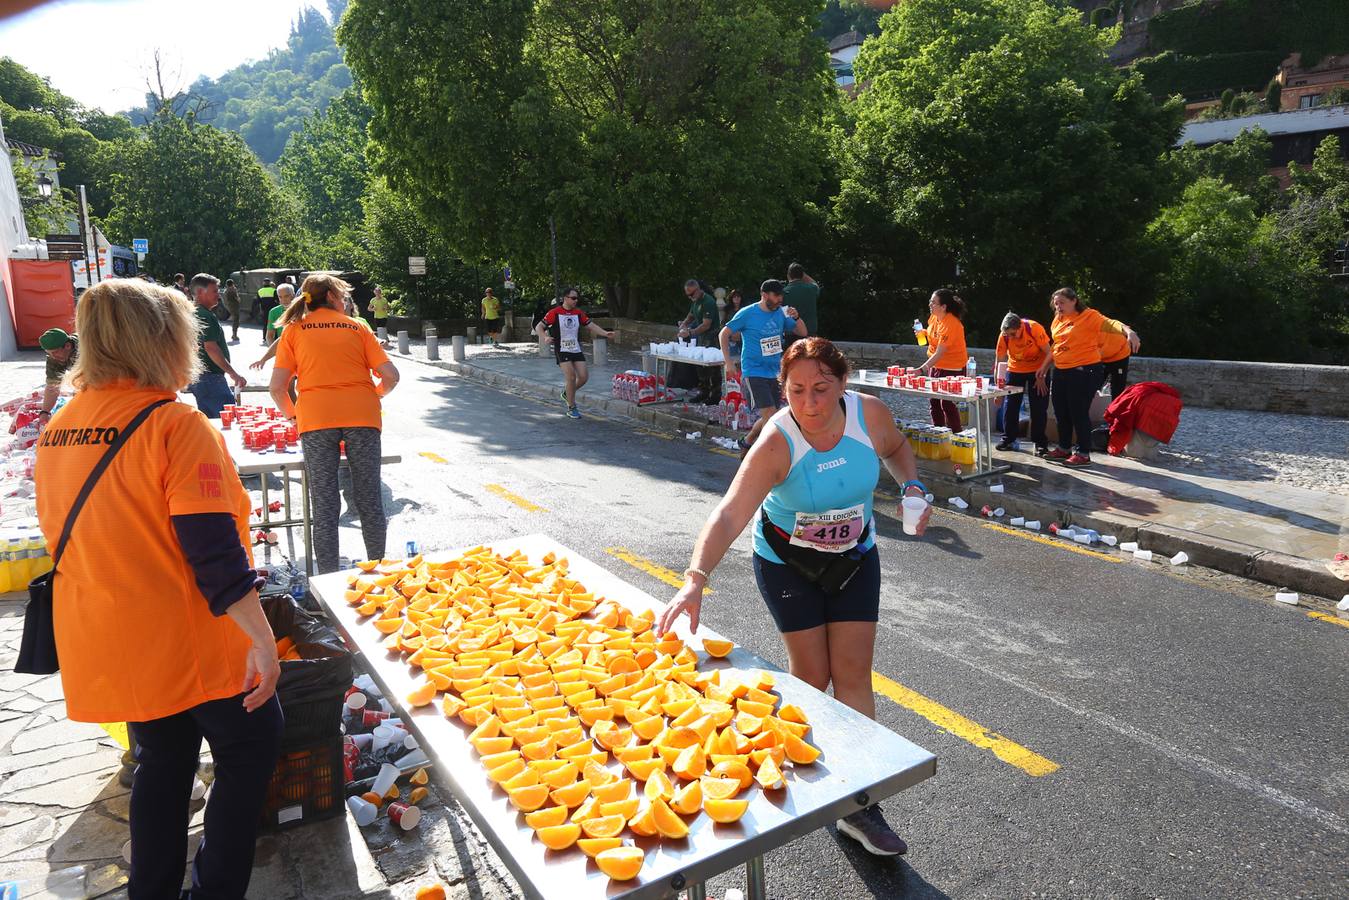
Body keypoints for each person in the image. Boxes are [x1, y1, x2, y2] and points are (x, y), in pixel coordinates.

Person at [34, 278, 282, 899]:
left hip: (116, 637)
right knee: (250, 748)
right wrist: (263, 641)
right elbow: (214, 554)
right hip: (194, 639)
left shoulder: (61, 427)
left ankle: (152, 890)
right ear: (166, 340)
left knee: (161, 765)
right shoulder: (175, 423)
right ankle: (214, 889)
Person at [657, 336, 930, 857]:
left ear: (843, 383)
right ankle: (788, 757)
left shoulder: (869, 416)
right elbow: (730, 513)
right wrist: (695, 578)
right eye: (796, 390)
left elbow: (896, 449)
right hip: (788, 564)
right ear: (783, 389)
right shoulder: (777, 442)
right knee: (812, 675)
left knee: (853, 674)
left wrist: (913, 487)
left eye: (821, 388)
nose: (809, 402)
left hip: (855, 556)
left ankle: (860, 804)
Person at [269, 274, 400, 573]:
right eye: (341, 295)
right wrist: (375, 394)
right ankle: (377, 569)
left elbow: (277, 388)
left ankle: (328, 579)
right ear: (330, 296)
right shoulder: (357, 327)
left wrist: (293, 416)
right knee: (369, 498)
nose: (344, 301)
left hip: (315, 419)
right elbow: (391, 376)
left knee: (325, 504)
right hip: (362, 417)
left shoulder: (293, 330)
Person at [1037, 288, 1141, 467]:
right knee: (1061, 411)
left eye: (1062, 302)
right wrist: (1044, 367)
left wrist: (1129, 332)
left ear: (1074, 301)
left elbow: (1112, 323)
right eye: (1056, 303)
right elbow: (1057, 344)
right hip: (1061, 370)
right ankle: (1064, 448)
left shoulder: (1089, 316)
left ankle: (1083, 453)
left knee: (1078, 411)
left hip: (1084, 370)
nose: (1058, 306)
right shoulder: (1058, 319)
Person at [721, 279, 806, 450]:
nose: (780, 299)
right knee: (771, 415)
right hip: (754, 371)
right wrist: (728, 362)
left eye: (781, 295)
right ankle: (770, 453)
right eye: (776, 295)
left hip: (774, 372)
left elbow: (802, 332)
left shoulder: (781, 312)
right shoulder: (748, 313)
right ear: (764, 295)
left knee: (772, 415)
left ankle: (747, 441)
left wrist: (796, 317)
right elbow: (724, 334)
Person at [534, 288, 615, 419]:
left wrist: (605, 333)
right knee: (571, 377)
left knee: (583, 377)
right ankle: (571, 407)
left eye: (577, 298)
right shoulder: (554, 312)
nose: (576, 300)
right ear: (565, 298)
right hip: (562, 349)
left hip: (575, 348)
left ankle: (567, 393)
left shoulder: (578, 313)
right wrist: (545, 337)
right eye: (573, 298)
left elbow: (591, 325)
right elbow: (539, 327)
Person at [186, 273, 247, 419]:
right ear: (200, 292)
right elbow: (211, 348)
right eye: (214, 291)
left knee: (213, 422)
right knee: (227, 420)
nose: (218, 295)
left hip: (201, 377)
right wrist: (233, 373)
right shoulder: (205, 315)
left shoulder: (194, 313)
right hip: (210, 377)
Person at [994, 312, 1052, 454]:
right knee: (1010, 405)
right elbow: (999, 361)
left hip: (1038, 369)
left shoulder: (1034, 328)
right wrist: (998, 390)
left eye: (1013, 334)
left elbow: (1050, 353)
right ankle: (1008, 439)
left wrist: (1042, 374)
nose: (1010, 337)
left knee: (1038, 407)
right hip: (1015, 369)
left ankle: (1040, 442)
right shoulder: (1004, 335)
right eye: (1007, 335)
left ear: (1020, 327)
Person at [918, 288, 967, 433]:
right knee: (933, 401)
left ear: (944, 307)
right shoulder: (934, 317)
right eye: (930, 301)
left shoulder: (952, 323)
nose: (930, 304)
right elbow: (934, 335)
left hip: (952, 367)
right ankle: (938, 434)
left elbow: (940, 352)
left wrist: (921, 370)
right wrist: (923, 333)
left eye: (933, 302)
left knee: (947, 403)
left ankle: (957, 435)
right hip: (936, 366)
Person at [678, 279, 721, 403]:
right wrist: (683, 325)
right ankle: (703, 392)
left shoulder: (708, 302)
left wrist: (690, 332)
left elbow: (706, 325)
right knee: (700, 367)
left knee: (712, 367)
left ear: (698, 290)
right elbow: (690, 316)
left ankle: (715, 395)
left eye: (691, 294)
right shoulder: (695, 301)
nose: (690, 297)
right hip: (702, 338)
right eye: (688, 295)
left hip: (712, 338)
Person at [37, 328, 78, 424]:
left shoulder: (87, 349)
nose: (53, 357)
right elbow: (52, 386)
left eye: (55, 352)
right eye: (49, 353)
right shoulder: (54, 358)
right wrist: (45, 412)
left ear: (67, 346)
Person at [782, 262, 820, 337]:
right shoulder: (812, 289)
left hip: (791, 334)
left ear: (788, 275)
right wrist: (803, 274)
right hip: (810, 333)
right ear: (803, 275)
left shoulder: (783, 293)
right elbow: (815, 284)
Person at [1098, 325, 1133, 400]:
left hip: (1120, 357)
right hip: (1105, 356)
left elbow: (1107, 351)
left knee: (1118, 385)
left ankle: (1116, 404)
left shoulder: (1109, 335)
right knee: (1095, 381)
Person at [223, 278, 241, 343]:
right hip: (234, 306)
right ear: (232, 284)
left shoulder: (226, 290)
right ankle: (234, 335)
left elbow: (225, 300)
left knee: (235, 320)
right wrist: (238, 299)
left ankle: (234, 334)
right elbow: (237, 298)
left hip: (229, 306)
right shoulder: (233, 290)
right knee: (236, 321)